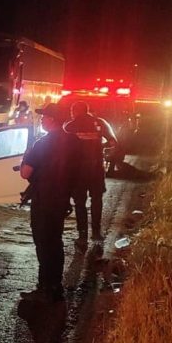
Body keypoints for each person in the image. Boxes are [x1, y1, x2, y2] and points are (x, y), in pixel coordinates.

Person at [20, 104, 74, 301]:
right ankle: (55, 285)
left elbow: (26, 172)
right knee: (55, 242)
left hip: (44, 199)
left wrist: (26, 158)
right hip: (61, 199)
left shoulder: (42, 143)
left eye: (45, 117)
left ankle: (44, 288)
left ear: (53, 119)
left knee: (43, 243)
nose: (42, 120)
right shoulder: (71, 141)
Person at [63, 101, 117, 244]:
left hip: (78, 171)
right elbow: (113, 142)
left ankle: (82, 235)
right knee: (96, 200)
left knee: (80, 202)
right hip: (96, 170)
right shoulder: (100, 123)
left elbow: (63, 148)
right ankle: (96, 232)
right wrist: (100, 147)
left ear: (75, 111)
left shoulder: (69, 126)